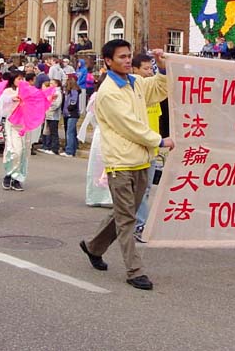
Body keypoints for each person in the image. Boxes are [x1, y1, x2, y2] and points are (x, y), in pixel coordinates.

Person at [79, 39, 173, 291]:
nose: (127, 60)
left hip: (142, 159)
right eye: (121, 56)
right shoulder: (108, 92)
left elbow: (158, 90)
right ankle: (135, 270)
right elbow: (129, 125)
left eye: (129, 55)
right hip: (120, 163)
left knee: (125, 212)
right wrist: (159, 140)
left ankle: (93, 247)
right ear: (108, 61)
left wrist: (163, 68)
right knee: (127, 219)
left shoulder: (135, 82)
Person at [131, 53, 163, 244]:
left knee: (146, 189)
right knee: (138, 190)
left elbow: (158, 120)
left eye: (151, 68)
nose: (149, 72)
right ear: (134, 70)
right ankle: (138, 225)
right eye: (145, 69)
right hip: (138, 148)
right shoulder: (130, 92)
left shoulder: (153, 93)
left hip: (153, 149)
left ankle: (137, 223)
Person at [77, 83, 113, 207]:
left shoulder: (99, 97)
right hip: (105, 133)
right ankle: (100, 196)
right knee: (100, 165)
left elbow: (90, 118)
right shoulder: (99, 97)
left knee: (103, 166)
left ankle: (100, 196)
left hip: (102, 133)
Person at [0, 71, 29, 192]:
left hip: (23, 125)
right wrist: (12, 99)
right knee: (14, 150)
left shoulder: (26, 91)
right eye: (18, 79)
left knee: (23, 152)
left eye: (22, 78)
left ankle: (17, 178)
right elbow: (2, 103)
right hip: (12, 124)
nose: (21, 81)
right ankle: (9, 174)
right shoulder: (8, 92)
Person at [39, 79, 62, 155]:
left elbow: (56, 104)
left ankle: (54, 148)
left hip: (53, 115)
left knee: (54, 132)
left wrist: (49, 106)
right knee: (49, 132)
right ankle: (49, 147)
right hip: (49, 114)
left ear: (56, 84)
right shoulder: (52, 92)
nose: (50, 85)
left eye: (52, 83)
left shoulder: (57, 93)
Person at [61, 76, 81, 157]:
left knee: (70, 132)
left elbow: (73, 102)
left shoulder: (74, 91)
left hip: (72, 113)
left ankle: (69, 151)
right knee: (72, 132)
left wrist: (69, 108)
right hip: (67, 113)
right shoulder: (67, 92)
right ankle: (74, 147)